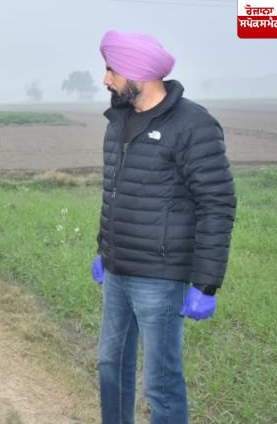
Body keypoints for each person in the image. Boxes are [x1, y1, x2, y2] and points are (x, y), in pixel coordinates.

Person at [92, 30, 236, 423]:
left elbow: (217, 204)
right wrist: (103, 249)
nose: (105, 79)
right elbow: (116, 193)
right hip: (119, 269)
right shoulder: (117, 121)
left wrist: (205, 283)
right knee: (110, 364)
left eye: (112, 70)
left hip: (161, 276)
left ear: (139, 72)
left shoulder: (193, 124)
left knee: (160, 381)